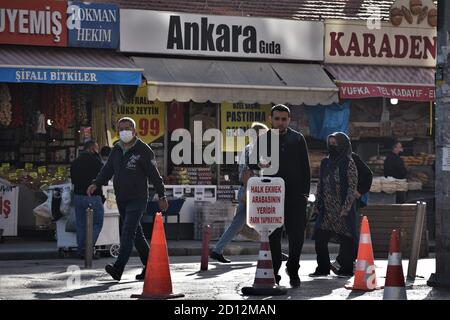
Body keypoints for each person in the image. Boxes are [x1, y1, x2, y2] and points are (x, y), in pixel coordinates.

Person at [87, 117, 168, 281]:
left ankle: (118, 268)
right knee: (136, 234)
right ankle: (151, 267)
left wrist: (162, 195)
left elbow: (154, 175)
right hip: (121, 198)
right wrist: (96, 183)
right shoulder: (116, 149)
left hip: (138, 198)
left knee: (127, 232)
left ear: (134, 131)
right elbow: (107, 169)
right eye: (121, 128)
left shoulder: (144, 150)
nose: (124, 131)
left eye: (127, 128)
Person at [249, 104, 311, 288]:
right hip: (271, 195)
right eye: (277, 118)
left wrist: (305, 194)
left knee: (297, 235)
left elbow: (305, 169)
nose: (280, 122)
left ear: (289, 120)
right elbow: (251, 162)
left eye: (284, 119)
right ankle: (274, 270)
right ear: (271, 119)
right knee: (273, 235)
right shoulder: (264, 139)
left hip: (295, 196)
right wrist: (258, 165)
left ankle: (293, 269)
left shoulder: (298, 139)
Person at [210, 122, 269, 263]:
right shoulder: (254, 150)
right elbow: (248, 172)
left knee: (240, 223)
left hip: (248, 189)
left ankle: (217, 250)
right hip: (252, 190)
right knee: (265, 220)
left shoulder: (249, 149)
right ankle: (273, 252)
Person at [309, 132, 358, 277]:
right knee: (320, 238)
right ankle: (322, 268)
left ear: (342, 145)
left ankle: (346, 269)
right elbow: (320, 184)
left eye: (335, 143)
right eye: (330, 143)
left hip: (342, 208)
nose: (332, 146)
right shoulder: (325, 162)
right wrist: (317, 204)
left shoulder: (349, 163)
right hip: (327, 209)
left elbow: (352, 186)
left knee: (346, 239)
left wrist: (346, 207)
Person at [330, 151, 373, 276]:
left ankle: (342, 261)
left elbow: (367, 174)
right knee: (348, 232)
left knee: (349, 231)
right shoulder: (333, 159)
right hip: (340, 202)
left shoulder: (352, 157)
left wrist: (359, 191)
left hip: (351, 202)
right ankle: (347, 261)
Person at [70, 140, 104, 259]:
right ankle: (87, 249)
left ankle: (81, 250)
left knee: (80, 225)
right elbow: (103, 177)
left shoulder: (75, 162)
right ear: (92, 149)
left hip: (78, 196)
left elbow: (73, 180)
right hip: (93, 196)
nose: (98, 150)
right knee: (97, 223)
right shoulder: (96, 161)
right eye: (97, 148)